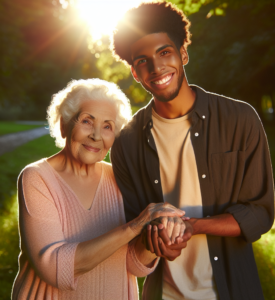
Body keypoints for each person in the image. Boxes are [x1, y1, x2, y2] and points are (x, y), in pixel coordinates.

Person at [111, 2, 275, 300]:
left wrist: (193, 227)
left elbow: (259, 212)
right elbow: (132, 230)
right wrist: (156, 240)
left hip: (233, 290)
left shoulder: (240, 119)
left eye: (164, 52)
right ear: (135, 72)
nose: (157, 67)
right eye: (143, 61)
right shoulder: (126, 142)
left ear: (183, 53)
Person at [12, 78, 187, 300]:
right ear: (65, 123)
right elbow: (54, 268)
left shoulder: (120, 178)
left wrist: (157, 236)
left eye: (107, 126)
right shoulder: (37, 177)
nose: (96, 135)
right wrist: (134, 226)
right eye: (87, 121)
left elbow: (133, 264)